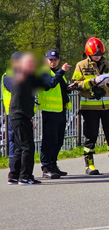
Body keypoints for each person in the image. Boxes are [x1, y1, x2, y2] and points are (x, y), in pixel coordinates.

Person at [8, 52, 70, 185]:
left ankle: (14, 175)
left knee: (20, 147)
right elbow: (48, 85)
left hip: (20, 114)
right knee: (27, 147)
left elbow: (25, 99)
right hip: (20, 115)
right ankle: (25, 177)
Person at [70, 37, 109, 175]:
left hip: (107, 107)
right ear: (88, 53)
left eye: (100, 55)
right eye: (95, 55)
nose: (98, 57)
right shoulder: (81, 65)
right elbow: (76, 84)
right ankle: (89, 164)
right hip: (90, 108)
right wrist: (92, 82)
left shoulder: (107, 64)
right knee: (91, 135)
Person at [37, 49, 71, 179]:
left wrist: (70, 87)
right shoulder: (43, 72)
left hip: (60, 111)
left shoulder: (57, 73)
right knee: (49, 140)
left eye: (55, 59)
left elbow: (63, 88)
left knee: (58, 140)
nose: (53, 62)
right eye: (50, 60)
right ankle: (46, 167)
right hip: (49, 111)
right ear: (46, 60)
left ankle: (53, 164)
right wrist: (62, 71)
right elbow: (50, 84)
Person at [2, 52, 22, 182]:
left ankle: (19, 170)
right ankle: (13, 171)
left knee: (21, 143)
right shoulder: (8, 75)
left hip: (21, 113)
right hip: (12, 113)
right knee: (14, 141)